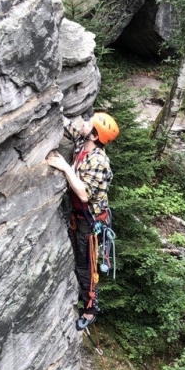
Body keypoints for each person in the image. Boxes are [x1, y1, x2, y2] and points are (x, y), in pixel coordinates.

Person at [46, 112, 119, 330]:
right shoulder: (83, 142)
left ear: (95, 136)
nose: (84, 123)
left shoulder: (99, 161)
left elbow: (84, 193)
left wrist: (65, 167)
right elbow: (67, 125)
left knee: (85, 265)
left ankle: (90, 309)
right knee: (78, 260)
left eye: (89, 123)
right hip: (78, 215)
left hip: (90, 222)